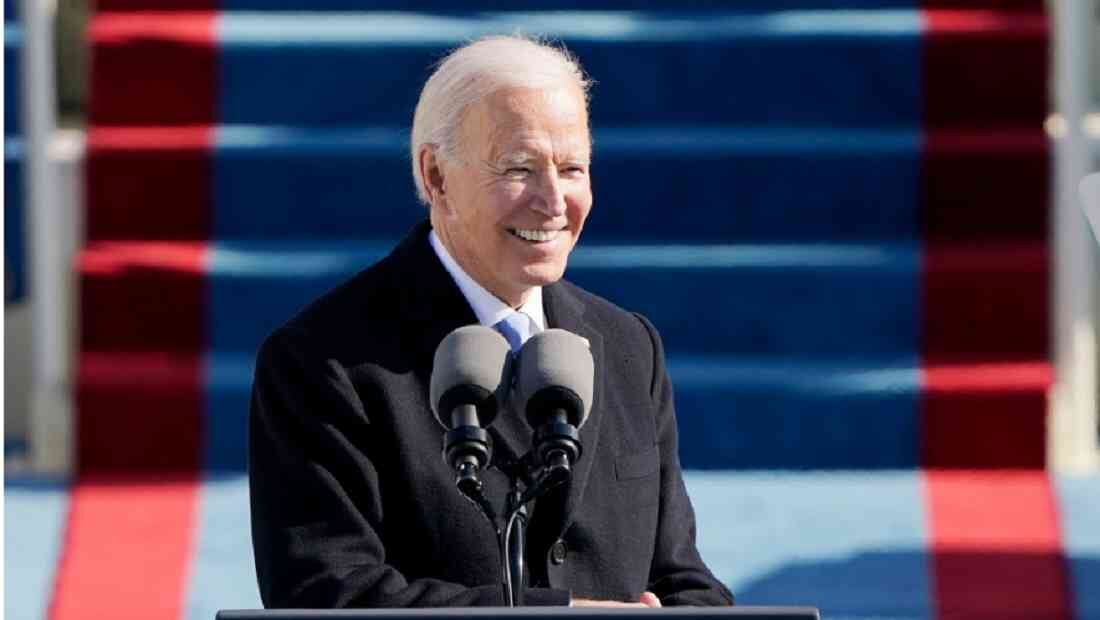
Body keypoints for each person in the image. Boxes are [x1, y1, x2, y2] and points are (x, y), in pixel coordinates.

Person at [249, 35, 734, 609]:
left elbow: (683, 578)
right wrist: (560, 616)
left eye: (572, 169)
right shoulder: (321, 362)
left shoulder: (629, 345)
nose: (553, 201)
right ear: (436, 176)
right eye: (519, 169)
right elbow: (327, 594)